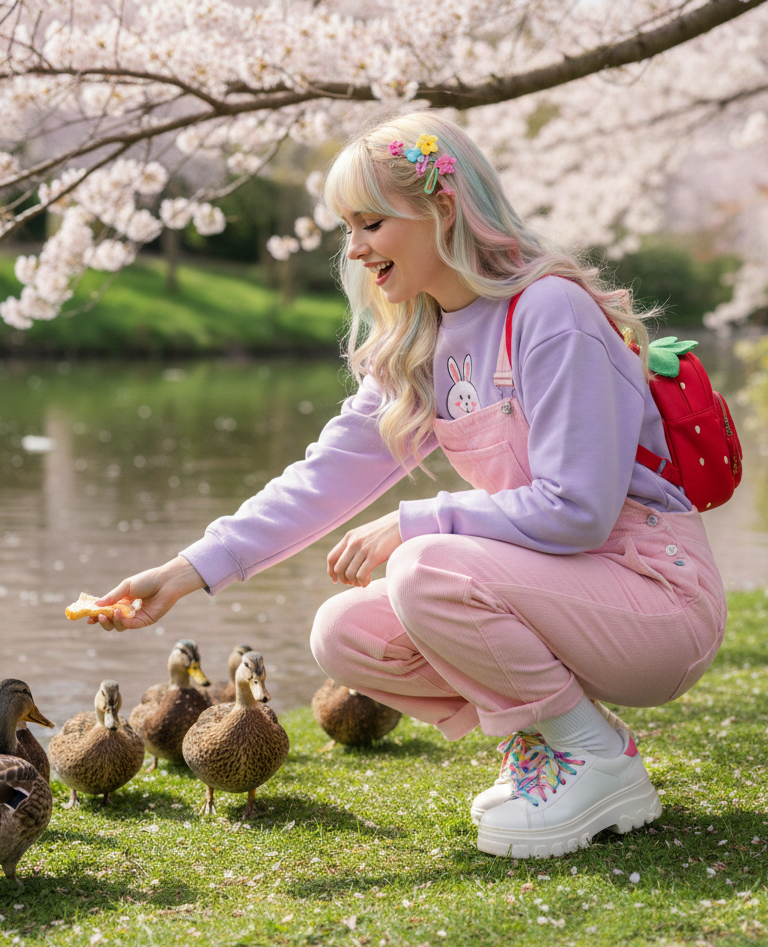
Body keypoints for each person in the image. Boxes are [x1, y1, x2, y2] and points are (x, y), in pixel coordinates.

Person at [90, 111, 726, 859]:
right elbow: (323, 477)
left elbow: (578, 511)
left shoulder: (549, 313)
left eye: (371, 223)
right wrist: (185, 571)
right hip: (560, 591)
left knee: (426, 566)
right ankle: (557, 740)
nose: (355, 249)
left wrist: (417, 521)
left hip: (654, 600)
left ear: (443, 209)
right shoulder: (423, 339)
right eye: (347, 229)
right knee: (344, 632)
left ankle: (595, 761)